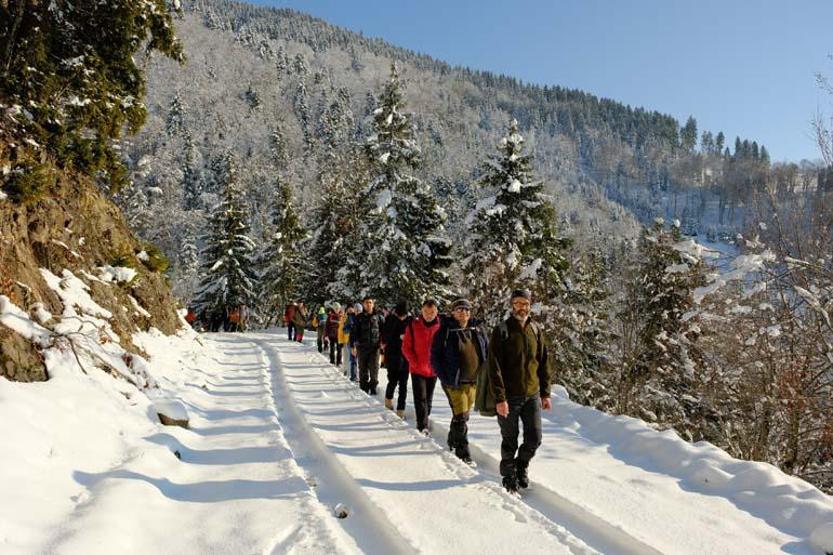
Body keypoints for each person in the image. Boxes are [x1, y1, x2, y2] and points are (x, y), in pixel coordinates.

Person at [488, 289, 552, 493]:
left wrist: (545, 393)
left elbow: (543, 362)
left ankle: (521, 466)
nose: (521, 307)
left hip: (531, 394)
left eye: (525, 303)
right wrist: (500, 398)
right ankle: (508, 475)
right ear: (512, 305)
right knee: (510, 438)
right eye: (517, 303)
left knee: (534, 438)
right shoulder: (502, 330)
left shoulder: (535, 329)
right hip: (509, 396)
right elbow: (493, 367)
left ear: (530, 305)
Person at [431, 298, 488, 465]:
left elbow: (486, 350)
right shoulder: (445, 331)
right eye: (459, 309)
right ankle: (463, 453)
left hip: (473, 381)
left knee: (462, 416)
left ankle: (451, 440)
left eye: (466, 309)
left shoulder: (477, 329)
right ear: (453, 312)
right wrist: (444, 377)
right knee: (461, 416)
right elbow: (435, 357)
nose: (463, 312)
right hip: (454, 382)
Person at [403, 298, 441, 435]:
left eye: (432, 312)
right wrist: (414, 362)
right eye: (426, 311)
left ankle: (425, 416)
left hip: (434, 369)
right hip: (417, 369)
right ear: (421, 311)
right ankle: (422, 426)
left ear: (436, 312)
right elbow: (406, 347)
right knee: (420, 398)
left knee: (428, 399)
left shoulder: (441, 326)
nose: (429, 315)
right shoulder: (413, 325)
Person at [382, 301, 411, 418]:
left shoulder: (411, 321)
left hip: (406, 357)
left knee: (403, 385)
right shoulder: (390, 319)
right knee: (392, 381)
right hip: (392, 355)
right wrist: (398, 337)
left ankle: (401, 409)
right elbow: (385, 336)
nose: (401, 317)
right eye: (400, 314)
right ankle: (388, 398)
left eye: (403, 314)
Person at [350, 296, 385, 395]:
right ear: (363, 304)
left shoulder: (379, 317)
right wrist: (353, 345)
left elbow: (384, 331)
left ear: (373, 304)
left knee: (374, 369)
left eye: (370, 302)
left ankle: (373, 387)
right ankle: (364, 390)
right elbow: (354, 332)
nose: (368, 304)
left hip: (375, 348)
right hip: (362, 347)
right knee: (363, 369)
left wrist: (383, 343)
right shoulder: (359, 318)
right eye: (366, 303)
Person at [344, 304, 361, 381]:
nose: (357, 311)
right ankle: (353, 376)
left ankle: (361, 377)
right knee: (353, 359)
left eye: (359, 310)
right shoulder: (350, 317)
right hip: (352, 341)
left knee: (361, 360)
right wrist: (349, 328)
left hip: (362, 342)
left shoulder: (363, 317)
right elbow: (344, 329)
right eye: (356, 310)